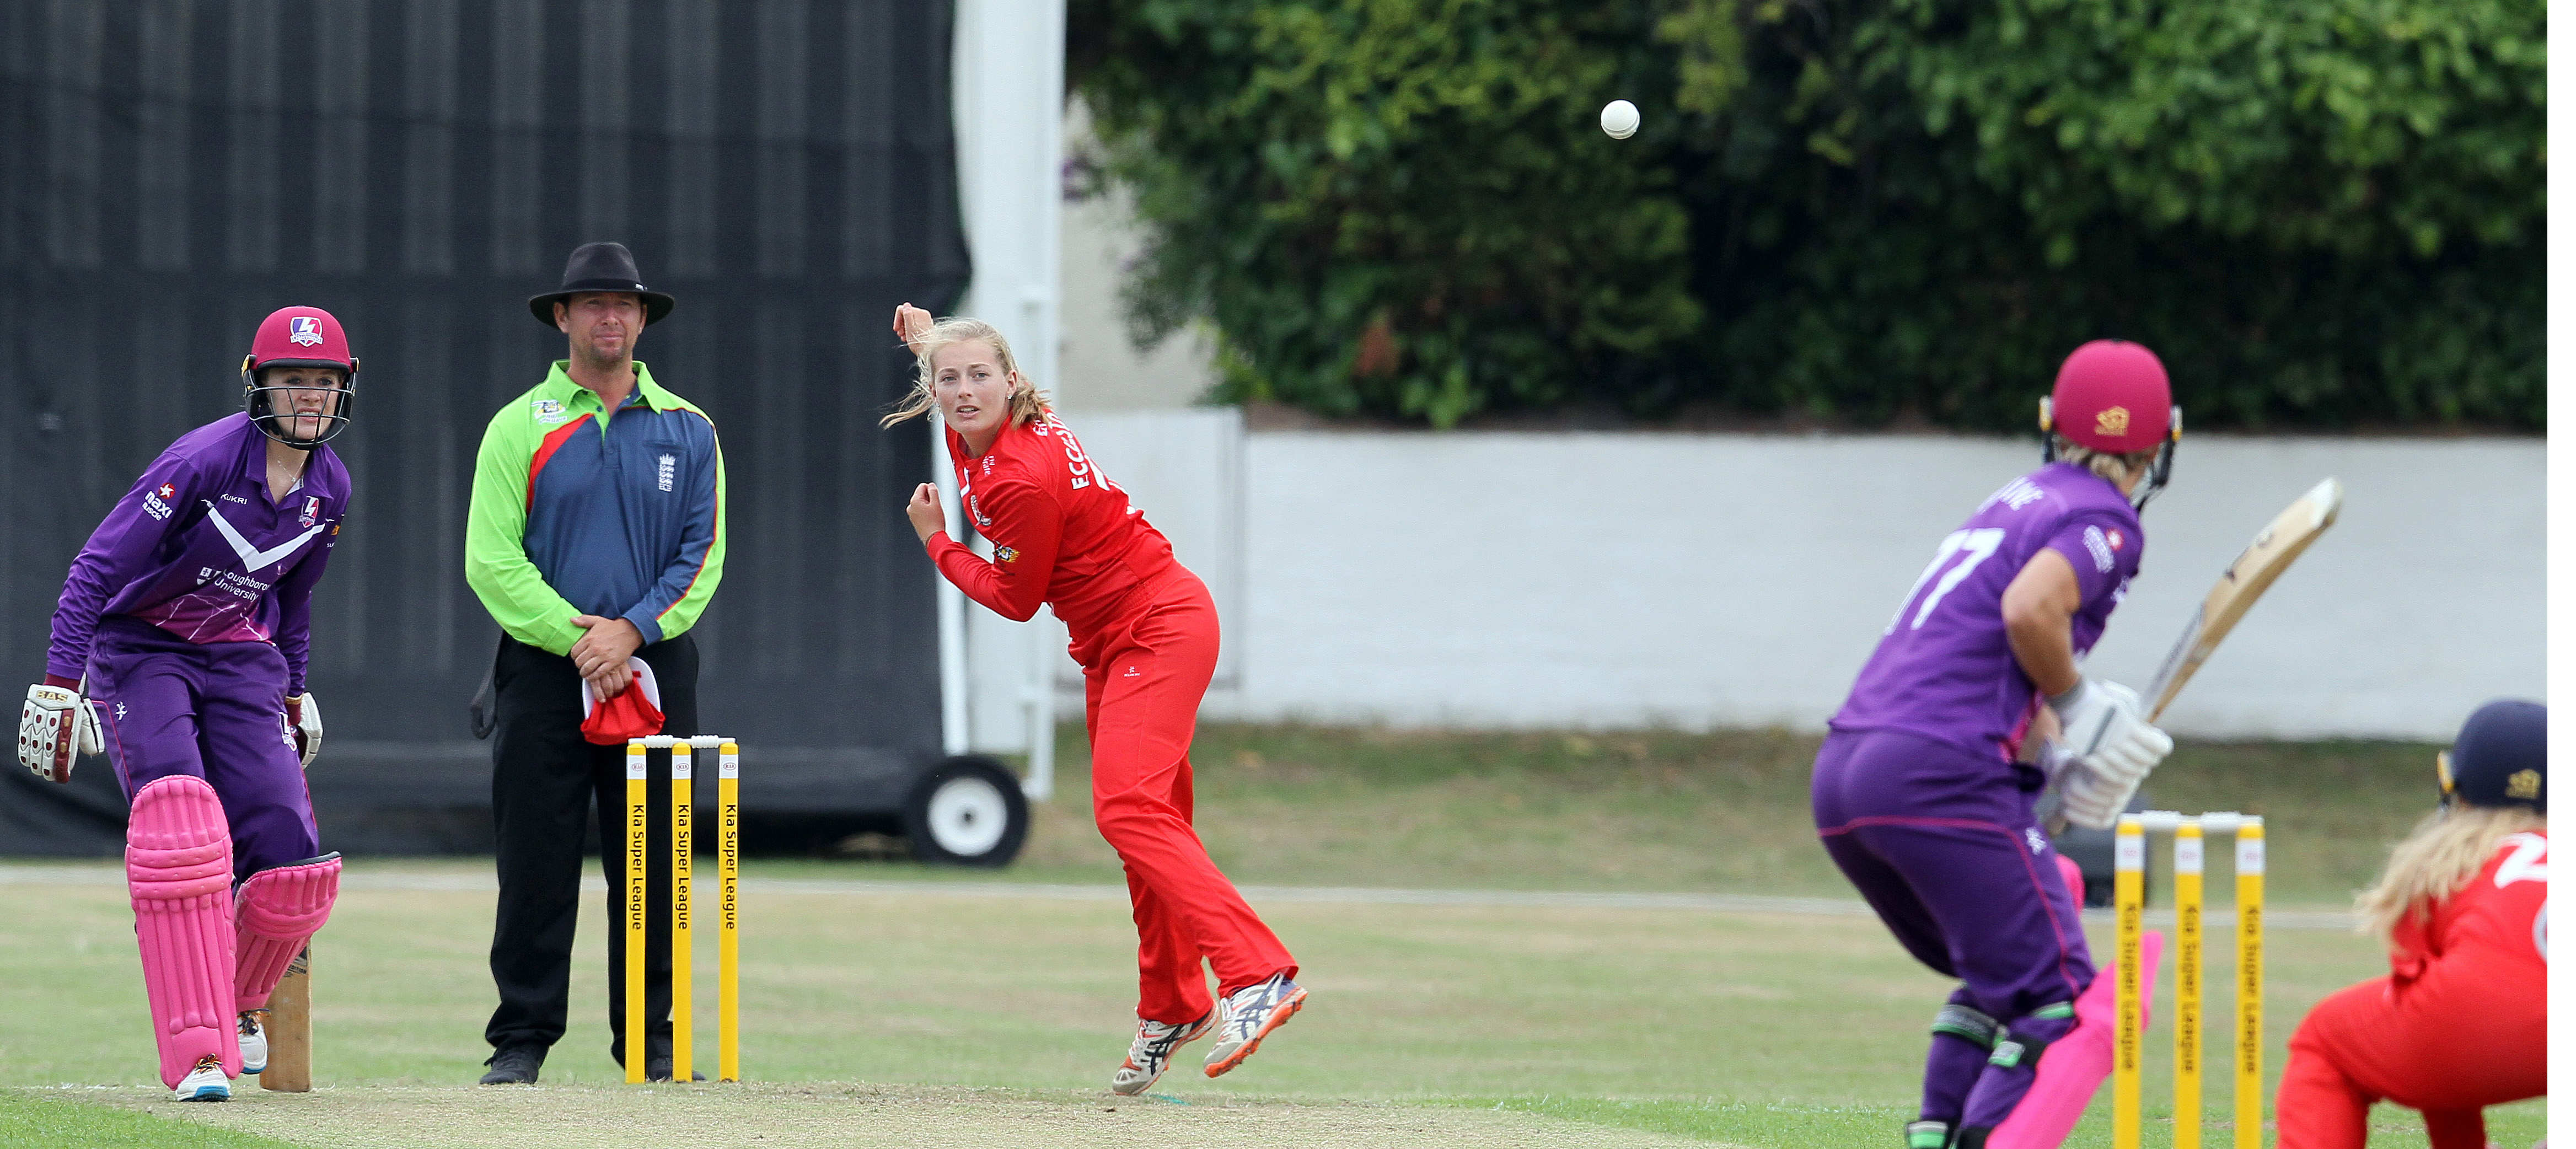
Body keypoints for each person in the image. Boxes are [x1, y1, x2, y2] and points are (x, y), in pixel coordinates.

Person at [888, 303, 1303, 1094]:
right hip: (1115, 641)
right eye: (950, 379)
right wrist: (928, 339)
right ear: (932, 387)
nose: (965, 391)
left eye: (980, 377)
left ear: (1012, 381)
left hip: (1158, 627)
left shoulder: (1016, 475)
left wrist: (937, 541)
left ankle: (1258, 974)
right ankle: (1173, 1004)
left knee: (1127, 810)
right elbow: (957, 374)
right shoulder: (987, 425)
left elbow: (1015, 599)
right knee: (1149, 823)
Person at [1811, 340, 2185, 1149]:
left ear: (2052, 422)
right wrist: (2079, 701)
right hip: (1939, 771)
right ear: (2162, 444)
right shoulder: (2104, 517)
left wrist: (2060, 754)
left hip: (1849, 772)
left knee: (2004, 974)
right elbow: (2028, 610)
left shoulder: (2015, 500)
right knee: (2062, 1004)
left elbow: (1985, 652)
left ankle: (1937, 1135)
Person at [20, 307, 355, 1101]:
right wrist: (62, 682)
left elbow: (294, 602)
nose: (309, 396)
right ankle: (199, 1053)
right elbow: (96, 569)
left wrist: (295, 691)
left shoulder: (331, 487)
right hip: (142, 649)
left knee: (291, 855)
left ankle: (238, 1002)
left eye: (324, 381)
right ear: (258, 385)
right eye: (292, 379)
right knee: (181, 823)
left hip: (239, 654)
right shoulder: (201, 462)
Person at [466, 242, 725, 1084]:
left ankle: (651, 1044)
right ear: (563, 317)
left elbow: (702, 554)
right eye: (592, 304)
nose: (609, 318)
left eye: (624, 305)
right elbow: (491, 560)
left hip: (653, 666)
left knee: (654, 865)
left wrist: (632, 632)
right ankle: (521, 1040)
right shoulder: (518, 424)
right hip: (545, 673)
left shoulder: (690, 429)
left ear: (643, 319)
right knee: (534, 862)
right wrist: (580, 639)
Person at [2274, 700, 2546, 1149]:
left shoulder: (2454, 855)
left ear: (2455, 784)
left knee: (2324, 1039)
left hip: (2477, 1016)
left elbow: (2433, 1012)